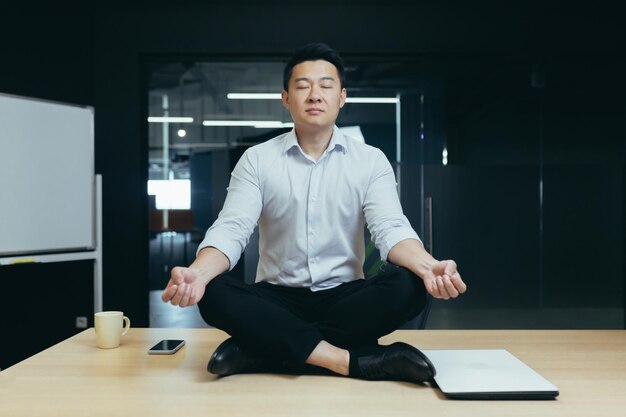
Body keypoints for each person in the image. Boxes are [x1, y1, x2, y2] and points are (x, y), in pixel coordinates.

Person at [161, 43, 467, 383]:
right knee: (214, 292)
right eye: (303, 86)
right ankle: (347, 360)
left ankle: (265, 348)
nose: (314, 95)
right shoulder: (257, 159)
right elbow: (232, 229)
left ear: (342, 97)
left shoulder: (370, 160)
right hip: (277, 298)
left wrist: (429, 267)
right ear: (286, 98)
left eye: (326, 85)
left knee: (409, 284)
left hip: (347, 299)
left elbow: (390, 227)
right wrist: (198, 274)